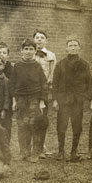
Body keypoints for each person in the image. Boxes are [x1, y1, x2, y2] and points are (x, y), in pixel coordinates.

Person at [53, 36, 90, 161]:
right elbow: (55, 84)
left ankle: (74, 152)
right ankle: (61, 151)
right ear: (66, 48)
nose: (73, 48)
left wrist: (83, 97)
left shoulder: (84, 65)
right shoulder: (60, 64)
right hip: (63, 101)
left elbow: (88, 83)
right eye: (70, 45)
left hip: (77, 101)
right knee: (61, 126)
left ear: (79, 48)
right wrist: (55, 100)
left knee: (77, 127)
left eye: (75, 45)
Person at [10, 38, 48, 162]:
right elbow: (12, 85)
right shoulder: (17, 66)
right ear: (21, 50)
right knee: (22, 125)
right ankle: (24, 152)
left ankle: (35, 153)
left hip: (34, 99)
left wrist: (42, 101)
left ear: (35, 51)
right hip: (21, 99)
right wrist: (15, 101)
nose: (28, 51)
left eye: (31, 49)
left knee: (34, 125)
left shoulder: (37, 66)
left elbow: (44, 84)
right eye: (26, 49)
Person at [33, 29, 57, 157]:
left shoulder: (51, 56)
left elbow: (52, 75)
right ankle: (33, 146)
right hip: (31, 91)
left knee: (42, 118)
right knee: (32, 118)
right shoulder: (29, 54)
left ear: (46, 40)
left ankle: (41, 146)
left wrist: (48, 90)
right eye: (37, 37)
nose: (40, 39)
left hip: (45, 90)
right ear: (34, 40)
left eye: (42, 37)